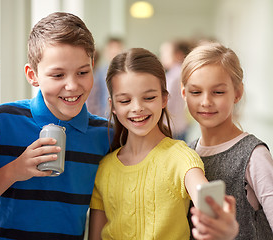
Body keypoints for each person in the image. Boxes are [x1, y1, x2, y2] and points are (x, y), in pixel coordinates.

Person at [0, 12, 112, 239]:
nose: (72, 85)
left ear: (93, 66)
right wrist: (15, 170)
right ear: (33, 75)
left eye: (83, 72)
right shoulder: (3, 120)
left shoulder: (105, 135)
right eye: (58, 75)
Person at [88, 48, 238, 240]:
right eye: (125, 100)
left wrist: (223, 225)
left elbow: (205, 197)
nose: (137, 108)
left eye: (149, 97)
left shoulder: (180, 156)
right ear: (113, 106)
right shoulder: (104, 169)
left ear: (164, 99)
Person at [181, 42, 273, 239]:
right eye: (196, 92)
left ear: (237, 93)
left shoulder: (254, 155)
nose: (206, 101)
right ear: (184, 94)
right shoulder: (185, 154)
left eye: (218, 92)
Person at [159, 39, 195, 141]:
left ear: (178, 55)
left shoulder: (174, 76)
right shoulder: (181, 72)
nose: (162, 57)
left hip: (173, 127)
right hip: (181, 125)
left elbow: (166, 102)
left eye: (165, 53)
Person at [86, 37, 124, 118]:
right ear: (106, 51)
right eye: (112, 48)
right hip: (104, 115)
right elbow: (95, 97)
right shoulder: (100, 72)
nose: (114, 51)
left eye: (117, 48)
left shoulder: (127, 72)